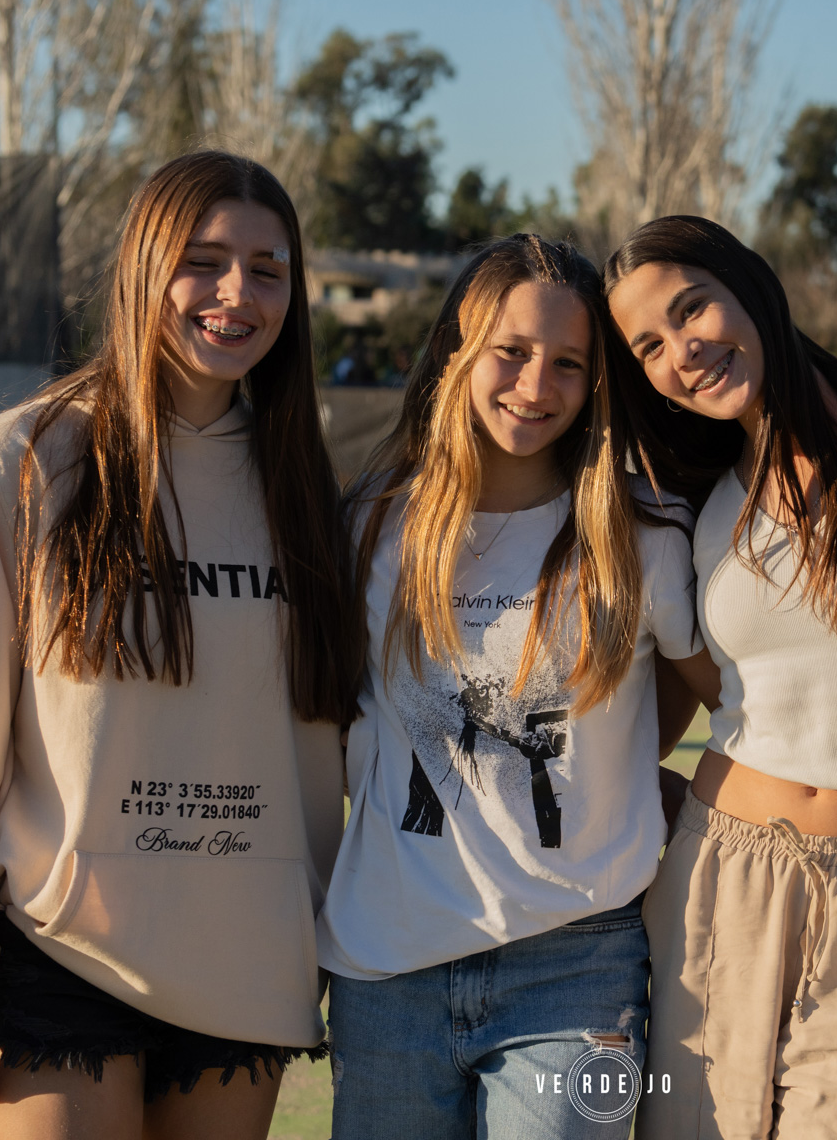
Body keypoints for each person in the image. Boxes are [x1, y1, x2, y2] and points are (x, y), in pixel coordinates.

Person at [0, 150, 361, 1138]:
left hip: (248, 958)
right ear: (143, 265)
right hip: (60, 951)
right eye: (204, 260)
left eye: (268, 269)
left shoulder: (312, 490)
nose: (237, 294)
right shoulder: (19, 461)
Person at [315, 234, 716, 1140]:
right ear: (455, 355)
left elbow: (725, 689)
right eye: (512, 353)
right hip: (389, 966)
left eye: (568, 364)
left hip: (580, 969)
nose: (536, 387)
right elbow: (329, 717)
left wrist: (616, 763)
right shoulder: (372, 526)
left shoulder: (640, 535)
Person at [603, 216, 837, 1140]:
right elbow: (706, 687)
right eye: (649, 345)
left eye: (693, 309)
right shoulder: (697, 500)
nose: (684, 351)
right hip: (720, 872)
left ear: (750, 287)